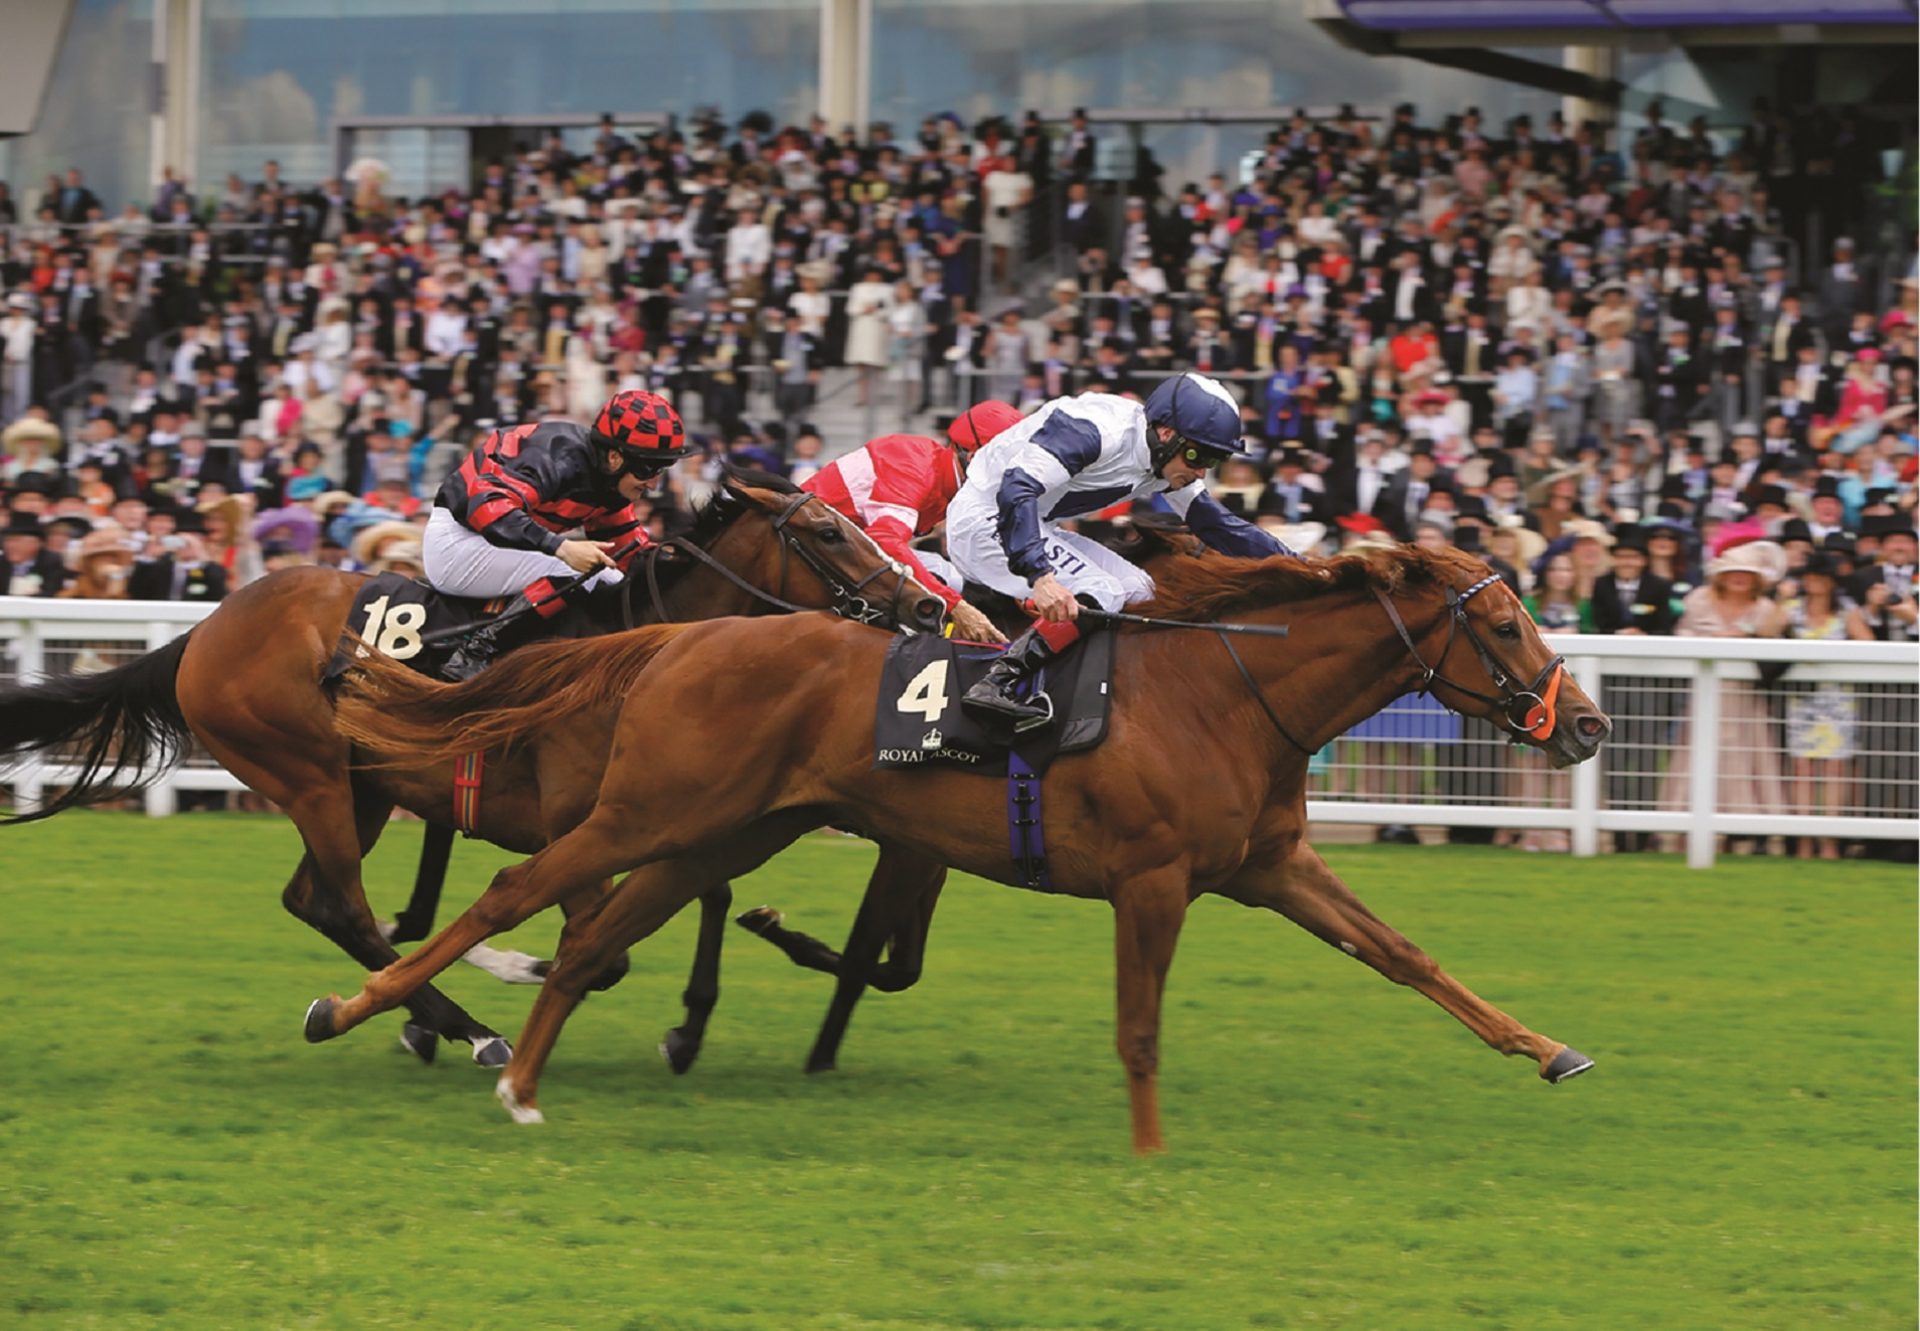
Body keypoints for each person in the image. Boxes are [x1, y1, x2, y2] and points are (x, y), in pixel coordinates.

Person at [950, 372, 1292, 728]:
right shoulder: (1094, 432)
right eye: (1197, 456)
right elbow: (1015, 491)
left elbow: (1219, 525)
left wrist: (1304, 567)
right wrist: (1041, 577)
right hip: (985, 521)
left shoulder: (1166, 459)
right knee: (1104, 590)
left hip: (1031, 521)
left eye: (1214, 460)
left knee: (1141, 592)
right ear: (1166, 434)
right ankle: (995, 683)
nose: (1202, 472)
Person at [425, 389, 685, 679]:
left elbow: (630, 554)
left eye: (662, 469)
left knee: (610, 577)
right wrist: (561, 547)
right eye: (649, 469)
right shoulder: (556, 456)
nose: (653, 484)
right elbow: (488, 507)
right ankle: (473, 653)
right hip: (458, 542)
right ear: (614, 457)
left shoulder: (610, 484)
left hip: (495, 544)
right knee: (577, 572)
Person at [801, 401, 1024, 645]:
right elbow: (885, 542)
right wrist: (958, 607)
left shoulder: (950, 476)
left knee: (952, 575)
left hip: (843, 546)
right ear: (974, 456)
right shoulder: (916, 466)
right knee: (944, 577)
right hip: (811, 551)